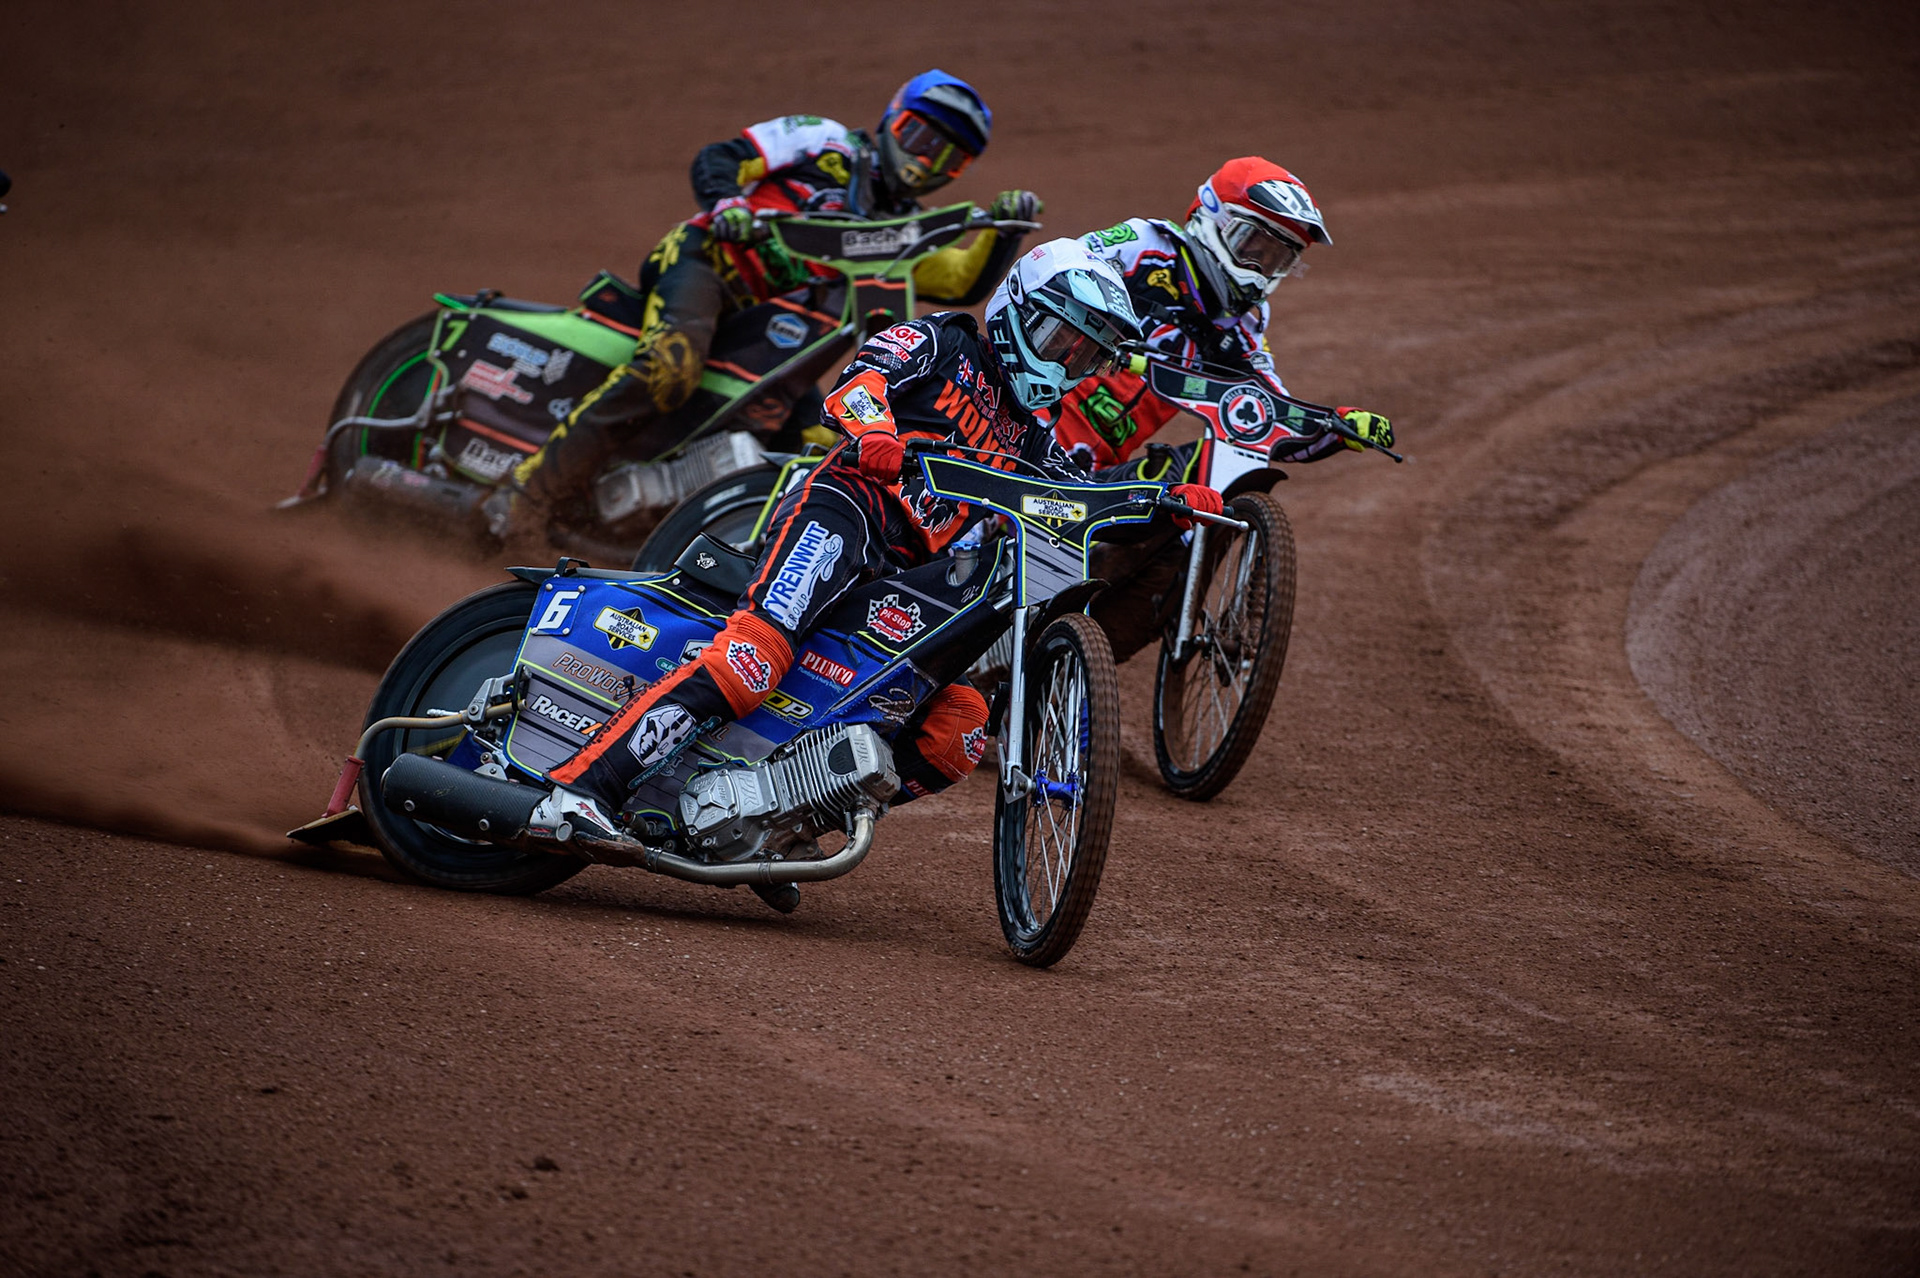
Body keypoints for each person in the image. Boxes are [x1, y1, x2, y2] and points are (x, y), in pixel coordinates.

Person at [527, 240, 1222, 894]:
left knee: (958, 730)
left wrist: (1162, 503)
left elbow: (1079, 498)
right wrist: (877, 433)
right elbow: (860, 381)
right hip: (848, 510)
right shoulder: (946, 342)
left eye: (1085, 356)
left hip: (911, 573)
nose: (1069, 363)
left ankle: (780, 824)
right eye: (1062, 341)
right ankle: (580, 791)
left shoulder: (1034, 438)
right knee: (754, 658)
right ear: (1019, 312)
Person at [503, 71, 1044, 532]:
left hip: (769, 333)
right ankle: (529, 495)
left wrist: (1005, 232)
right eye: (920, 135)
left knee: (818, 440)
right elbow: (724, 157)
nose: (927, 159)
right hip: (707, 264)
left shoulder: (898, 232)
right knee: (671, 367)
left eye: (949, 159)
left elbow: (958, 283)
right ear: (891, 117)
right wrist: (728, 204)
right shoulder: (825, 139)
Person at [1044, 157, 1395, 660]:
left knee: (1187, 485)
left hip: (1087, 469)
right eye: (1254, 245)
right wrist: (1105, 335)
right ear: (1213, 218)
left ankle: (1077, 646)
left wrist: (1336, 428)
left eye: (1278, 258)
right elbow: (1052, 273)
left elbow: (1263, 411)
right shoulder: (1147, 246)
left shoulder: (1242, 320)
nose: (1260, 268)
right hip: (1024, 427)